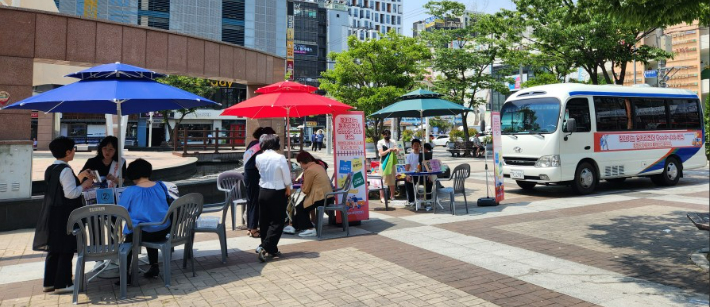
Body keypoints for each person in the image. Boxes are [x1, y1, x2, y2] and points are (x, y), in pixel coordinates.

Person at [33, 136, 94, 294]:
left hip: (52, 213)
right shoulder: (66, 169)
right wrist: (84, 185)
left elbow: (59, 189)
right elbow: (71, 193)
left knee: (54, 248)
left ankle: (50, 282)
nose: (74, 151)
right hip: (65, 215)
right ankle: (63, 284)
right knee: (66, 248)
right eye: (73, 149)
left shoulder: (51, 168)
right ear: (68, 152)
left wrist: (79, 179)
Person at [117, 158, 171, 282]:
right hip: (163, 228)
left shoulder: (130, 191)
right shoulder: (161, 185)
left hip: (144, 233)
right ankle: (154, 266)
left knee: (131, 236)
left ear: (132, 174)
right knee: (149, 224)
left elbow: (120, 210)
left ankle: (125, 274)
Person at [255, 134, 292, 262]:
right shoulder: (280, 157)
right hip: (277, 191)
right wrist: (288, 187)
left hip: (263, 190)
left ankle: (271, 248)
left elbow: (259, 171)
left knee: (264, 221)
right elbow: (286, 176)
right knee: (277, 221)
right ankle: (264, 247)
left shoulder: (258, 157)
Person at [243, 127, 276, 238]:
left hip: (248, 175)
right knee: (256, 202)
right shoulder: (261, 146)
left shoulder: (252, 143)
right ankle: (253, 229)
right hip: (255, 175)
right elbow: (261, 163)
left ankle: (250, 227)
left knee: (250, 201)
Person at [293, 151, 333, 237]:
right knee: (301, 205)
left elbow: (306, 190)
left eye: (300, 163)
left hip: (320, 197)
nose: (300, 166)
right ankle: (295, 226)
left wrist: (302, 185)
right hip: (328, 196)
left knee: (300, 208)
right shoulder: (318, 166)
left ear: (301, 162)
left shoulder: (309, 170)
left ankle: (309, 228)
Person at [376, 129, 398, 203]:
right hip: (383, 162)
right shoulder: (380, 142)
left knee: (392, 179)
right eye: (385, 134)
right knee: (383, 179)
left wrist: (395, 150)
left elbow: (397, 151)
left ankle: (392, 196)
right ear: (383, 135)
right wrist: (388, 150)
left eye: (388, 134)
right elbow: (381, 153)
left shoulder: (393, 142)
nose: (387, 136)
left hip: (391, 162)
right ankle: (382, 197)